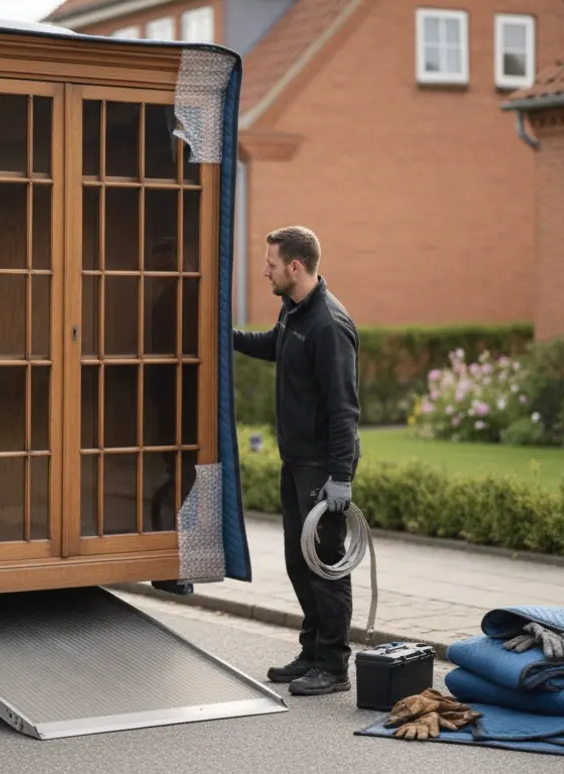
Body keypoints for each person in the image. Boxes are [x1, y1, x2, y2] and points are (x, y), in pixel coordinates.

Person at [232, 225, 361, 696]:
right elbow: (273, 344)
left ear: (295, 266)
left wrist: (340, 481)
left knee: (325, 565)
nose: (264, 269)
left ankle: (333, 665)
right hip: (297, 459)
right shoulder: (294, 310)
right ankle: (311, 650)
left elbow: (345, 409)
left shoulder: (329, 324)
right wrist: (228, 338)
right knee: (296, 559)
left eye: (270, 263)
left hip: (324, 466)